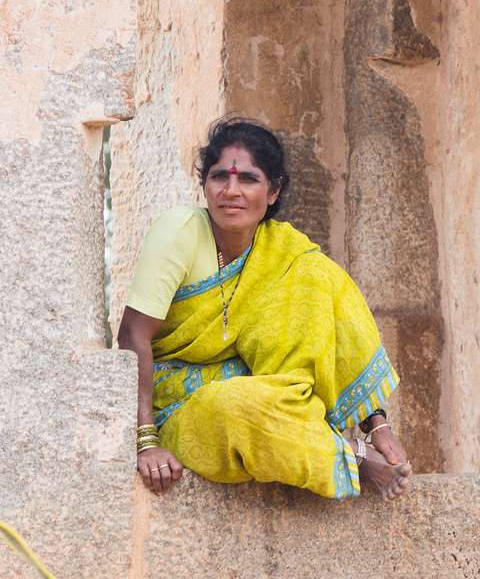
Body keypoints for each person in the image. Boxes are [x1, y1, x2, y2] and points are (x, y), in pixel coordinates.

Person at [118, 118, 412, 501]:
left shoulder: (286, 252)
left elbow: (341, 324)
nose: (231, 191)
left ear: (273, 192)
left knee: (319, 276)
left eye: (248, 180)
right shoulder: (179, 231)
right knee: (232, 405)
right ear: (204, 185)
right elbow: (132, 335)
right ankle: (353, 457)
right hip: (182, 407)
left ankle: (344, 436)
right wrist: (145, 441)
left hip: (274, 395)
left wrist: (377, 426)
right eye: (219, 177)